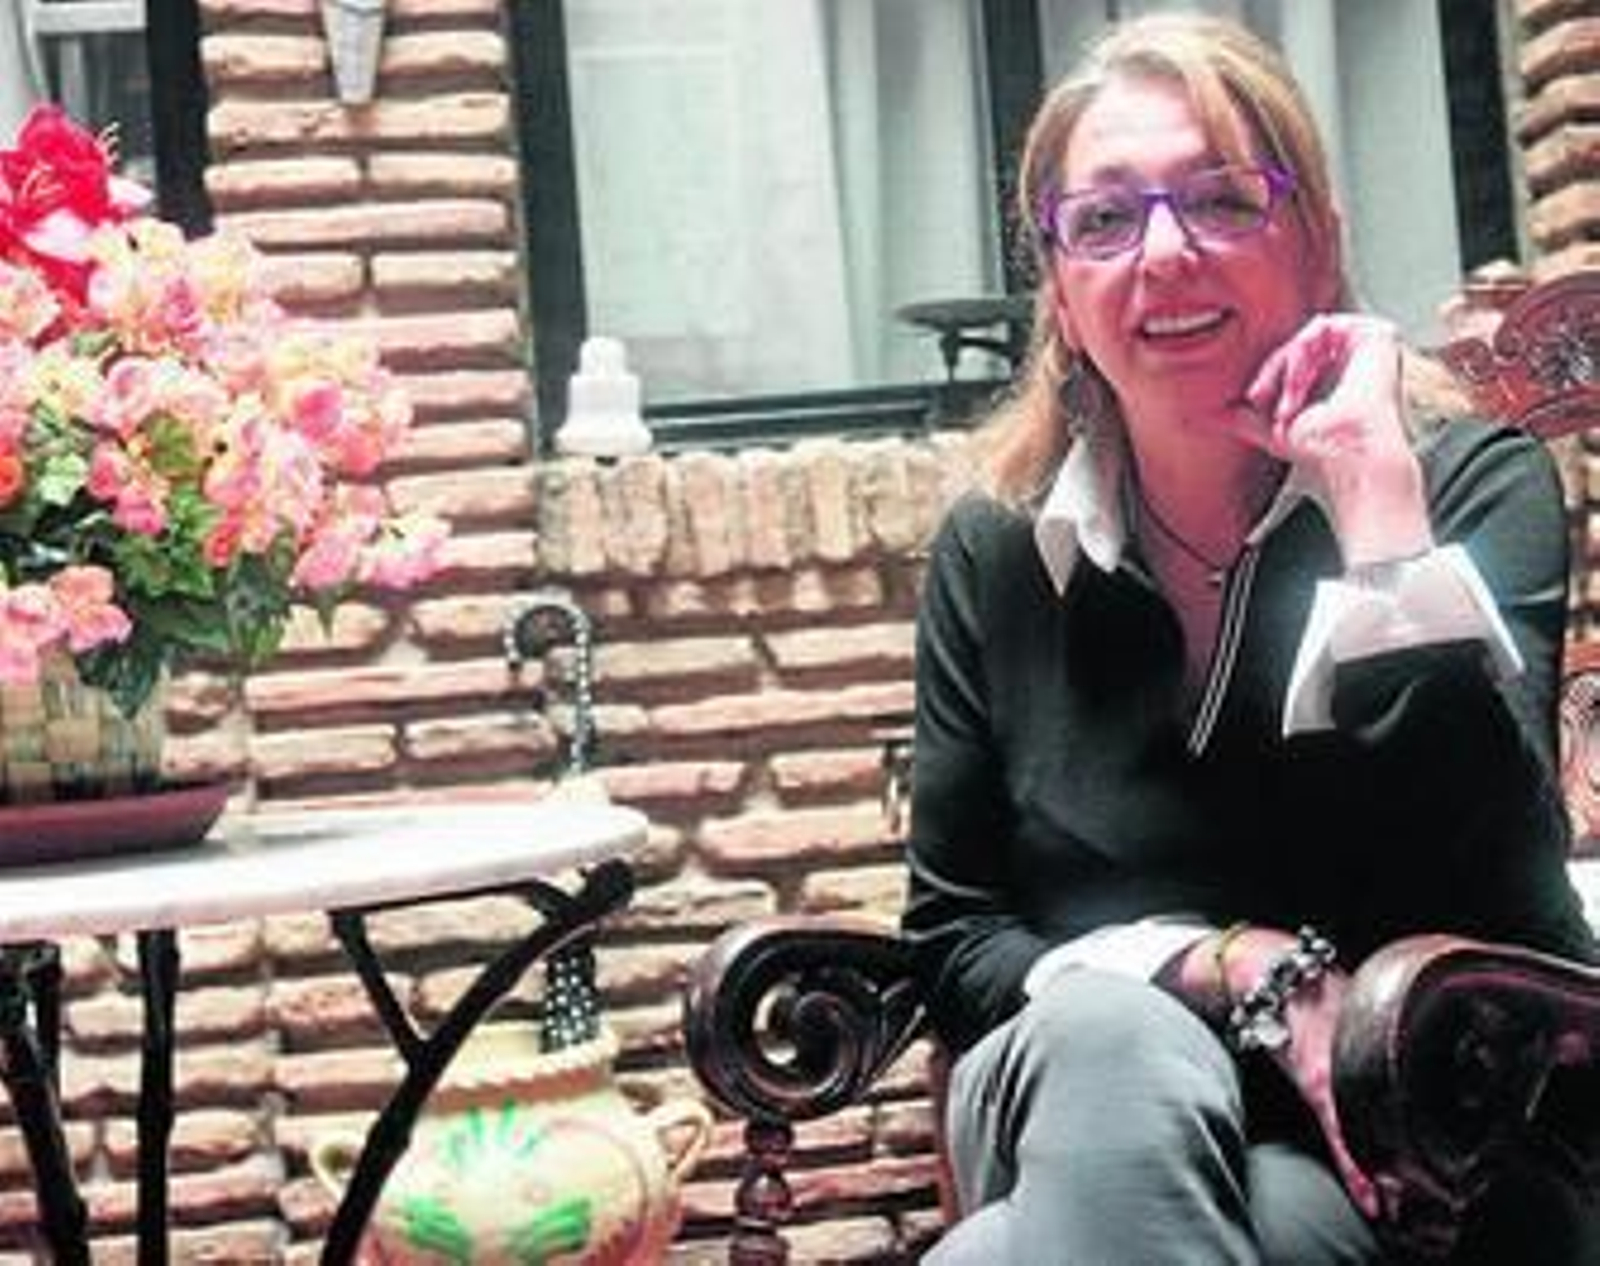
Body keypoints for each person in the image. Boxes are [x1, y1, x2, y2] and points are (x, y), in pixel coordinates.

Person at [900, 14, 1599, 1265]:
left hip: (1417, 1124)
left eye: (1222, 201)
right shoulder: (994, 551)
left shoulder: (1468, 487)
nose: (1163, 254)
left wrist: (1376, 512)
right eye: (1103, 220)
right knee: (1113, 1034)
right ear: (1057, 285)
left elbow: (1505, 908)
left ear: (1316, 239)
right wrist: (1224, 968)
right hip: (1071, 1091)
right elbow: (954, 945)